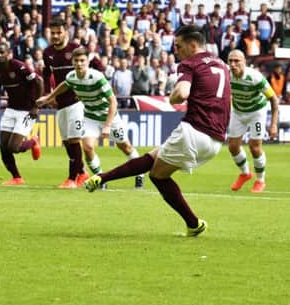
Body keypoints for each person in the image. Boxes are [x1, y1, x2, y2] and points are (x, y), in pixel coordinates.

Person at [83, 25, 231, 237]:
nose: (176, 50)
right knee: (154, 156)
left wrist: (172, 95)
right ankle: (102, 178)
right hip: (216, 139)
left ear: (193, 45)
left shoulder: (189, 64)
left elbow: (181, 94)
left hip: (194, 129)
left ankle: (193, 223)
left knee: (158, 176)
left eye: (179, 46)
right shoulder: (222, 65)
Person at [37, 47, 141, 188]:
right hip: (91, 117)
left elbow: (113, 101)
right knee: (87, 147)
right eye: (76, 61)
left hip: (109, 117)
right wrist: (49, 98)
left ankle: (140, 173)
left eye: (82, 61)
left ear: (87, 62)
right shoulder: (71, 76)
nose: (79, 64)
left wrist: (108, 125)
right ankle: (100, 180)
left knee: (125, 147)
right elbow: (65, 85)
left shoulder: (97, 77)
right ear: (72, 62)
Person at [41, 20, 106, 188]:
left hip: (78, 103)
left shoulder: (75, 49)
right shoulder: (47, 53)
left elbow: (98, 67)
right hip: (61, 103)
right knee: (67, 141)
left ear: (65, 33)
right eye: (52, 33)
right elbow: (46, 73)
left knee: (75, 139)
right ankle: (83, 173)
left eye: (58, 32)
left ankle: (72, 178)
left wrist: (89, 87)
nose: (55, 36)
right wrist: (49, 94)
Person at [0, 42, 43, 185]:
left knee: (14, 147)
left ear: (8, 53)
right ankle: (17, 178)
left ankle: (33, 142)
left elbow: (39, 82)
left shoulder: (18, 66)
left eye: (2, 52)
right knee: (3, 147)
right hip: (11, 109)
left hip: (26, 111)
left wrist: (36, 106)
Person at [227, 50, 279, 193]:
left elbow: (274, 100)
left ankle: (260, 180)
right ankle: (245, 173)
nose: (233, 64)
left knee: (254, 147)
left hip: (256, 112)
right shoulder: (227, 75)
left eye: (236, 61)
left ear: (244, 62)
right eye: (230, 61)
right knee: (232, 147)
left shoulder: (255, 77)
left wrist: (273, 124)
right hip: (238, 111)